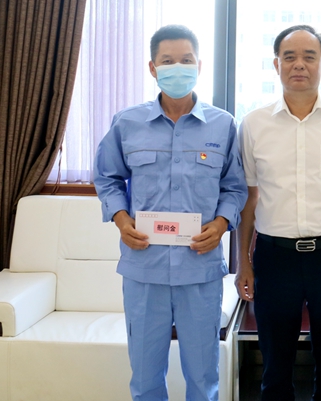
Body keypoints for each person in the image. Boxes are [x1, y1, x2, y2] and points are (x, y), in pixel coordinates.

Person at [94, 24, 248, 401]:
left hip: (200, 269)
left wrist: (221, 224)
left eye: (186, 60)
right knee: (145, 377)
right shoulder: (127, 123)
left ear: (199, 65)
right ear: (152, 68)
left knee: (203, 377)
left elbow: (235, 187)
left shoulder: (223, 124)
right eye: (167, 61)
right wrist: (121, 220)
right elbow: (107, 177)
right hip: (144, 268)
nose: (177, 68)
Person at [235, 24, 321, 401]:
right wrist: (243, 261)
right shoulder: (254, 124)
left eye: (309, 57)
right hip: (274, 257)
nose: (299, 64)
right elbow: (248, 197)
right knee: (274, 367)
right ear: (276, 64)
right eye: (290, 57)